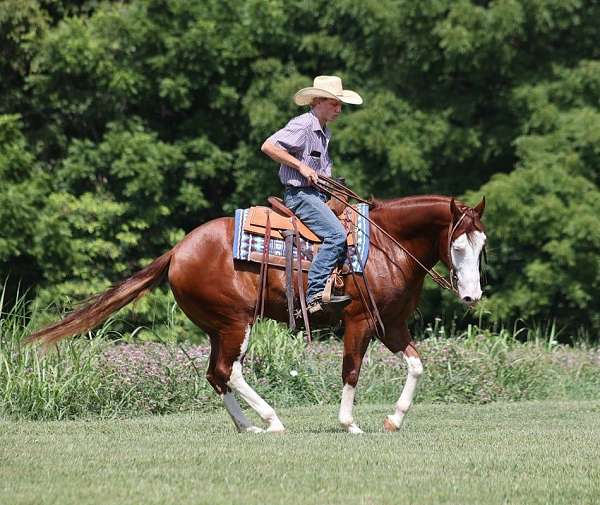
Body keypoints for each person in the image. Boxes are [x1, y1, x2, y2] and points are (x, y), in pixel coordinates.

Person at [261, 75, 363, 314]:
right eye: (333, 103)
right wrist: (300, 166)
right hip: (300, 196)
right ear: (317, 101)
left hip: (315, 195)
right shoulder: (304, 125)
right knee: (337, 236)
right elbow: (268, 146)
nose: (339, 109)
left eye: (340, 105)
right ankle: (315, 294)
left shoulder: (324, 132)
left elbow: (321, 172)